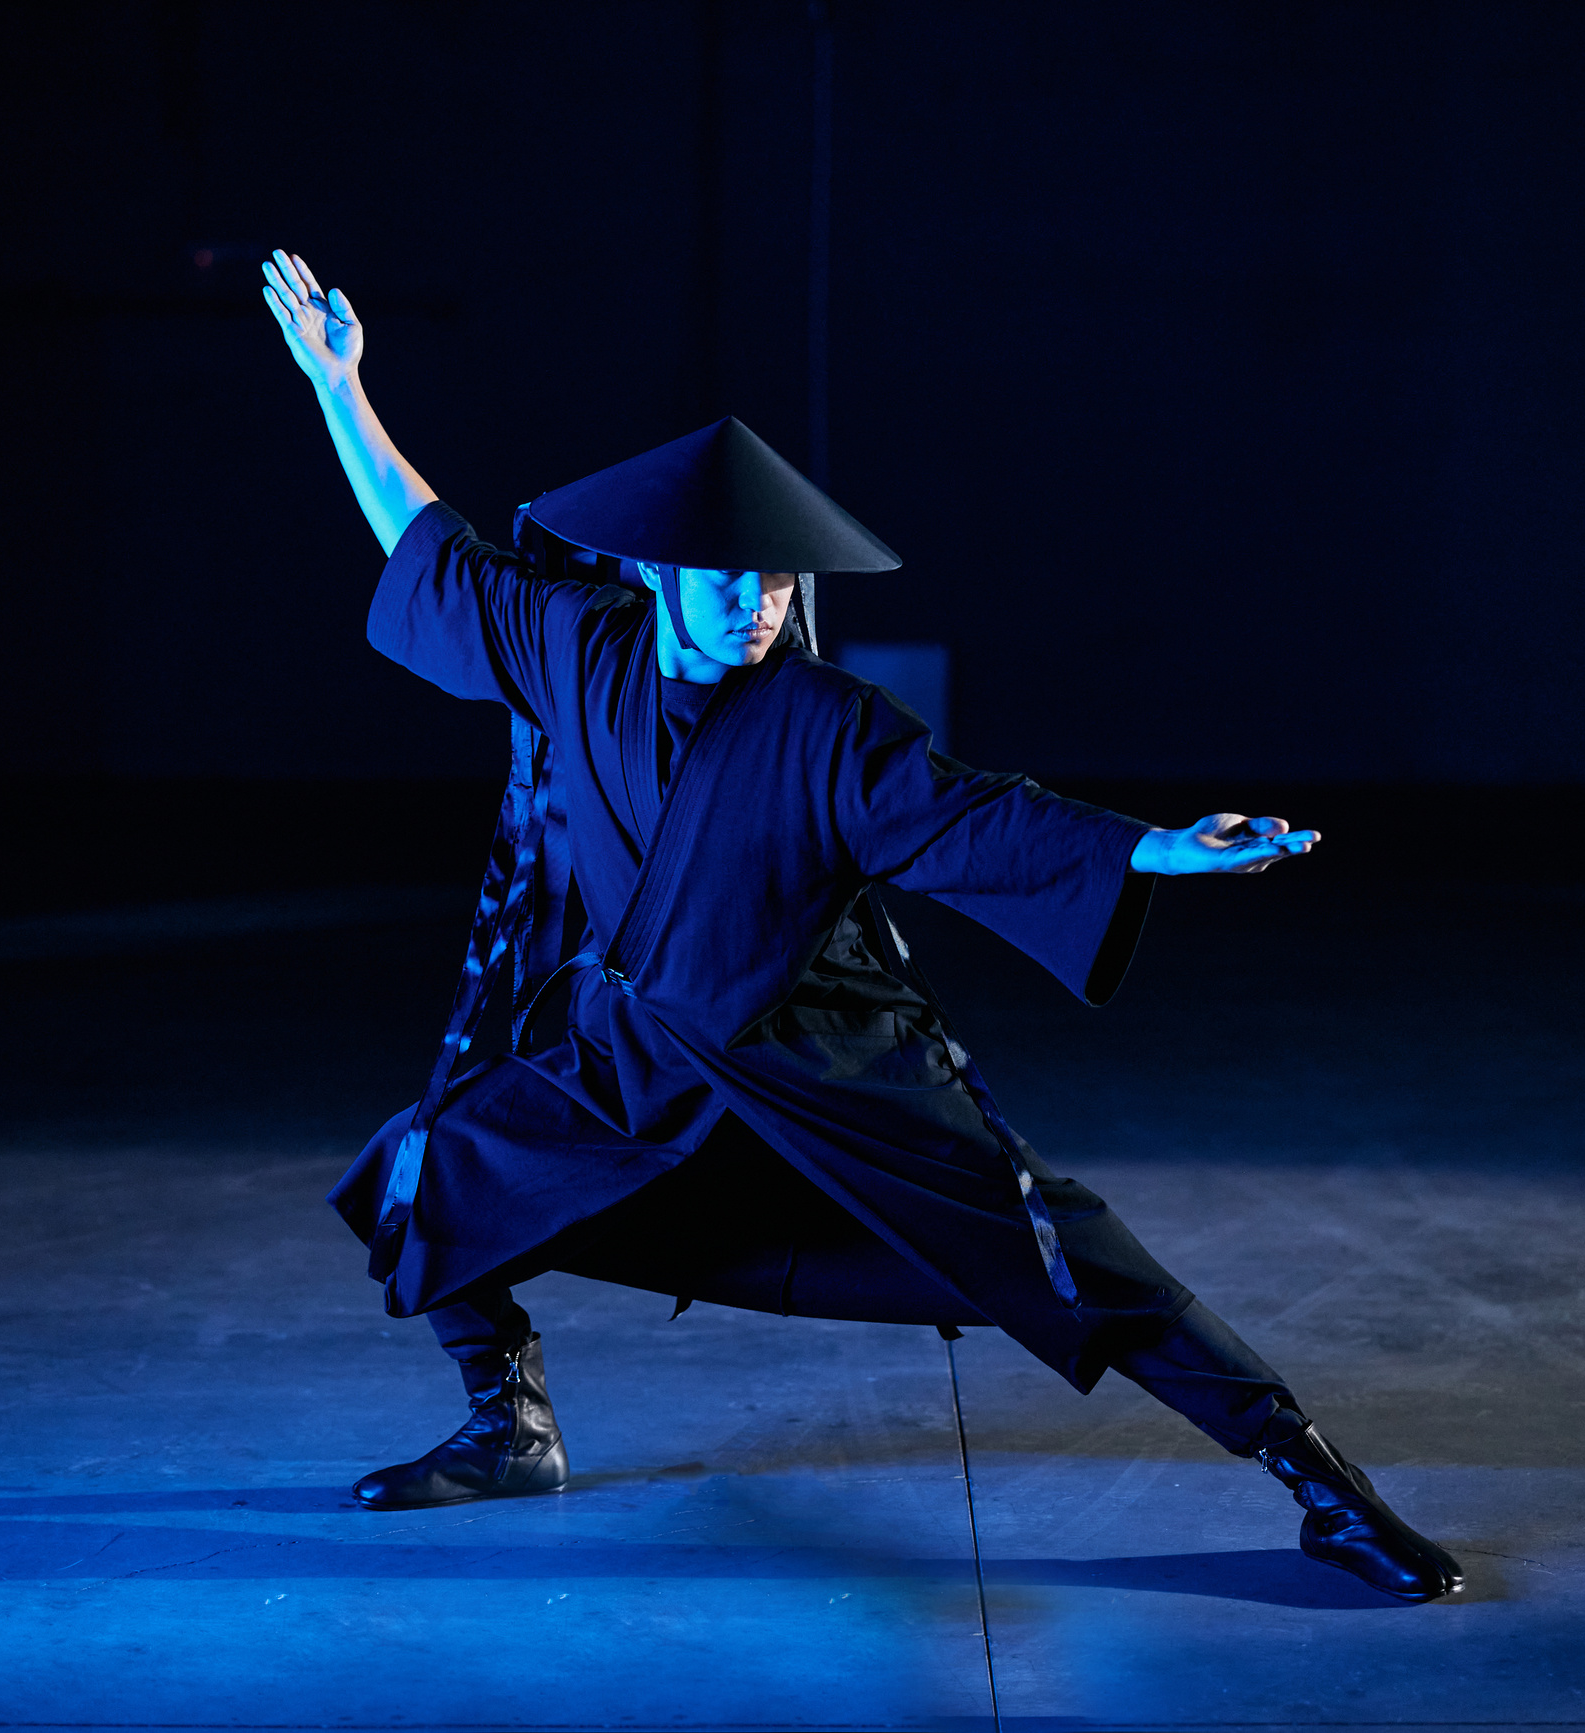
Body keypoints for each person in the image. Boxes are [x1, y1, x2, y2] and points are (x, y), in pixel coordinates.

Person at [260, 249, 1463, 1603]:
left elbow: (975, 815)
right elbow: (432, 545)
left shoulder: (825, 726)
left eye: (780, 580)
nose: (760, 603)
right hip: (638, 1066)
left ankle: (1317, 1481)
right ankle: (510, 1425)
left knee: (1067, 1257)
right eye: (729, 579)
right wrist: (341, 387)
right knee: (419, 1164)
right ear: (656, 572)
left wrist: (1156, 845)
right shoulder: (576, 647)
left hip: (823, 1067)